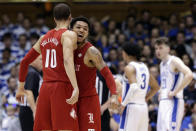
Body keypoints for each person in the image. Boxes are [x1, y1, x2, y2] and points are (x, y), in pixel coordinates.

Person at [16, 3, 79, 131]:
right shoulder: (69, 35)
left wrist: (20, 88)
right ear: (70, 18)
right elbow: (67, 60)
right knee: (65, 128)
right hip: (62, 87)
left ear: (54, 19)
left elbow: (24, 62)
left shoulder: (43, 38)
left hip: (45, 88)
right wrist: (75, 86)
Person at [70, 16, 117, 131]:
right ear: (71, 30)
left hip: (88, 101)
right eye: (78, 27)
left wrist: (114, 95)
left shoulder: (92, 51)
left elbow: (107, 74)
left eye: (85, 29)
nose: (82, 30)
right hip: (70, 100)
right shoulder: (66, 49)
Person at [118, 43, 160, 131]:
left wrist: (123, 105)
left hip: (131, 107)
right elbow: (156, 87)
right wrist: (146, 98)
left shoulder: (129, 68)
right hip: (143, 108)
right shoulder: (144, 67)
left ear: (126, 54)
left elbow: (133, 87)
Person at [154, 37, 193, 131]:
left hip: (173, 101)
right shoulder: (161, 64)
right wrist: (161, 92)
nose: (157, 51)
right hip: (164, 101)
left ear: (168, 49)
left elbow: (189, 75)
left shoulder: (174, 61)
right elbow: (166, 82)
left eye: (160, 48)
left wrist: (175, 92)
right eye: (156, 48)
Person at [19, 55, 42, 131]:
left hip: (25, 109)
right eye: (40, 59)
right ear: (32, 60)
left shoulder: (29, 71)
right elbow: (29, 92)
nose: (43, 62)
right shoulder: (32, 73)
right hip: (29, 110)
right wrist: (35, 111)